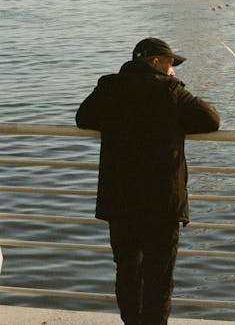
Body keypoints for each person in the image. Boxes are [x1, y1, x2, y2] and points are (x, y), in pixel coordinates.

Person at [75, 37, 220, 325]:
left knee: (128, 272)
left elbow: (83, 118)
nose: (173, 69)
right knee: (159, 276)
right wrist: (176, 88)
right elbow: (210, 120)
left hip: (120, 200)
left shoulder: (110, 87)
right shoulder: (170, 91)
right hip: (161, 203)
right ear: (155, 61)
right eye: (171, 64)